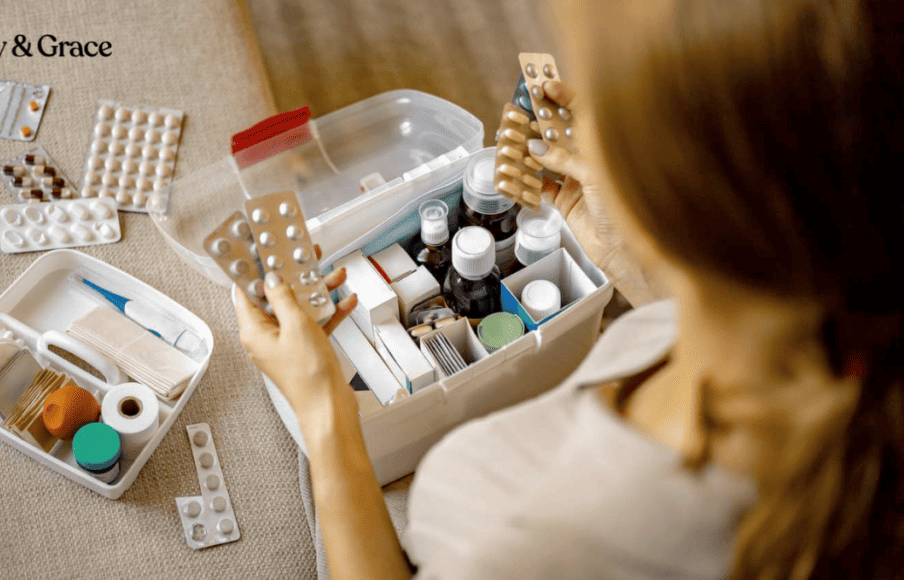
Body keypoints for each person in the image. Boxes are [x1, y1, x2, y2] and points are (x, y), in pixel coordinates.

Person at [234, 0, 904, 578]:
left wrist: (324, 411)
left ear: (675, 190)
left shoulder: (545, 541)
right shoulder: (835, 338)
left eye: (608, 103)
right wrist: (628, 260)